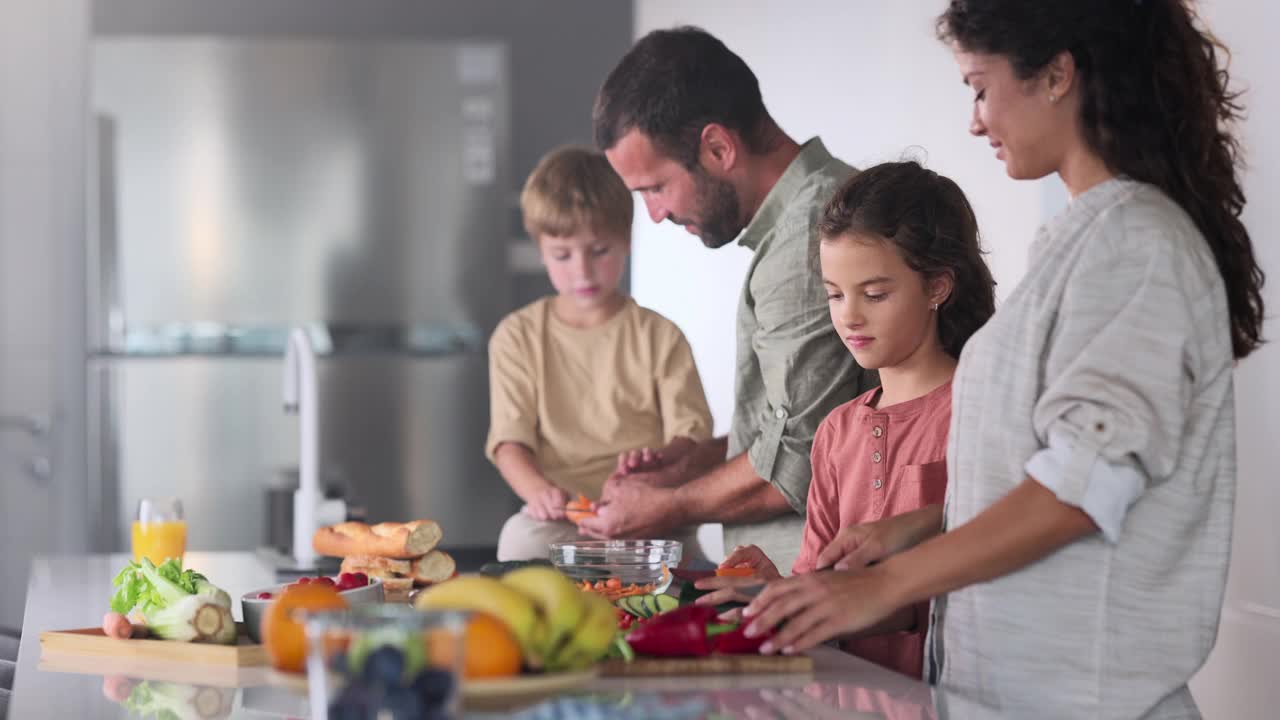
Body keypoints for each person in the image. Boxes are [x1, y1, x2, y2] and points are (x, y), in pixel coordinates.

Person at [740, 2, 1266, 717]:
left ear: (1057, 76)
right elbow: (1051, 470)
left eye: (980, 88)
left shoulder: (1135, 244)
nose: (975, 119)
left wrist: (886, 585)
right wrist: (919, 525)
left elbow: (1084, 487)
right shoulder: (1081, 241)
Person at [580, 27, 878, 572]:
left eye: (654, 187)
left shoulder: (805, 238)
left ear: (718, 148)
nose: (654, 215)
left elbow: (798, 461)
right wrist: (694, 464)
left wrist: (666, 506)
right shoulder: (819, 209)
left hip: (820, 592)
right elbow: (814, 422)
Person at [694, 161, 996, 679]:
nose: (849, 316)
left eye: (874, 294)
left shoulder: (982, 411)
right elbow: (821, 585)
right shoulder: (836, 432)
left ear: (938, 288)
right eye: (834, 294)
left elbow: (992, 565)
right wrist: (776, 589)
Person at [487, 146, 713, 561]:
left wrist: (660, 460)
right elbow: (509, 443)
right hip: (563, 518)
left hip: (649, 513)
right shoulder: (516, 336)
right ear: (541, 250)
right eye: (563, 255)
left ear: (626, 240)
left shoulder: (659, 335)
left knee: (688, 564)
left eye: (599, 251)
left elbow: (692, 436)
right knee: (518, 540)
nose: (583, 271)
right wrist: (539, 493)